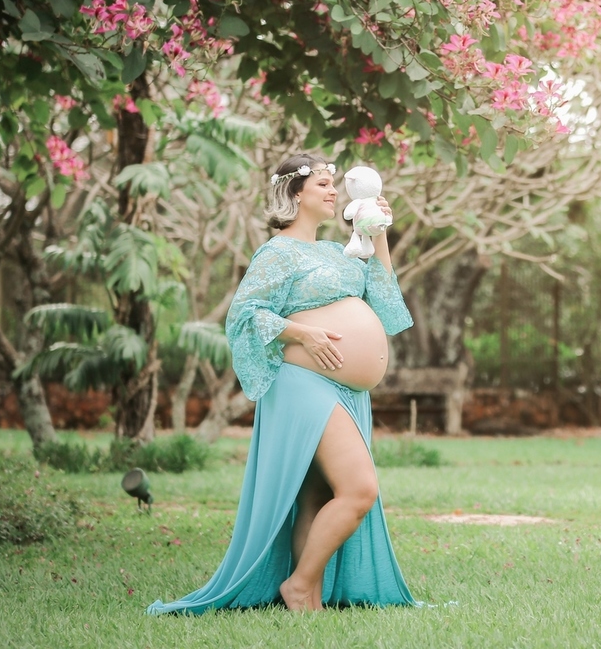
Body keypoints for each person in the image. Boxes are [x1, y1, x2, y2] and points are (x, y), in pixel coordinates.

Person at [148, 154, 417, 614]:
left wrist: (378, 236)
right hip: (303, 383)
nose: (335, 192)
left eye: (336, 185)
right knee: (358, 489)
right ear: (296, 194)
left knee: (318, 491)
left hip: (347, 390)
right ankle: (298, 585)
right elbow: (245, 315)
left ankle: (307, 598)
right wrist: (303, 333)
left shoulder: (339, 251)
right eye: (324, 185)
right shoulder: (276, 253)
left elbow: (387, 306)